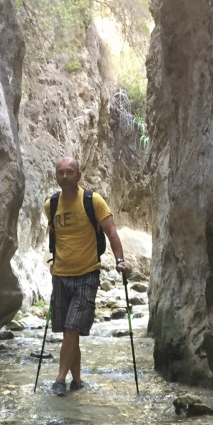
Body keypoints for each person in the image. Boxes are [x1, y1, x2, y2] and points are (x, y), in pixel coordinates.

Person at [45, 156, 132, 396]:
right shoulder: (51, 205)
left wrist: (120, 261)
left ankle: (60, 380)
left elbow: (111, 232)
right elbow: (54, 235)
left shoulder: (93, 201)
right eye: (61, 172)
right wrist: (53, 260)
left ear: (79, 175)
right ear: (56, 176)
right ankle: (77, 381)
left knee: (72, 328)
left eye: (69, 172)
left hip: (87, 274)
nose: (65, 176)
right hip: (60, 275)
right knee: (68, 331)